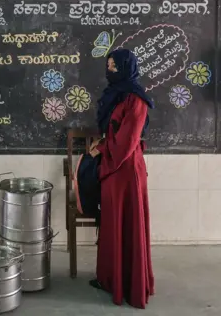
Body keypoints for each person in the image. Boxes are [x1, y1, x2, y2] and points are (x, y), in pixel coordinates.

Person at [89, 48, 155, 309]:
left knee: (125, 224)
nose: (110, 70)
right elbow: (113, 130)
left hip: (125, 171)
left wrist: (102, 149)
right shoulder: (114, 95)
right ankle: (109, 279)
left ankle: (128, 284)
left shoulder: (136, 99)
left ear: (126, 67)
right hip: (112, 170)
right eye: (108, 65)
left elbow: (127, 142)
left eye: (114, 66)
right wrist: (102, 144)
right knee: (111, 225)